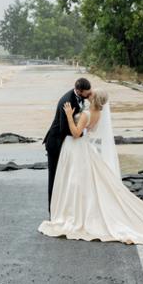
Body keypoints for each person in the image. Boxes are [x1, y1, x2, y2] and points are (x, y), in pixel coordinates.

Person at [39, 89, 143, 244]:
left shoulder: (87, 114)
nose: (89, 94)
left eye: (91, 94)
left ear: (94, 99)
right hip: (87, 150)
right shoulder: (99, 113)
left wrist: (69, 115)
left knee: (77, 182)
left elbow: (76, 133)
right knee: (89, 183)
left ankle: (75, 214)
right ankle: (80, 211)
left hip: (80, 148)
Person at [43, 78, 92, 211]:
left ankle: (64, 207)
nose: (89, 95)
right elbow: (64, 128)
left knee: (65, 177)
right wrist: (82, 132)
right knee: (54, 178)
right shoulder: (67, 101)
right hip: (56, 142)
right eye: (87, 93)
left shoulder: (80, 96)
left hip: (66, 142)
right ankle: (52, 210)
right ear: (79, 91)